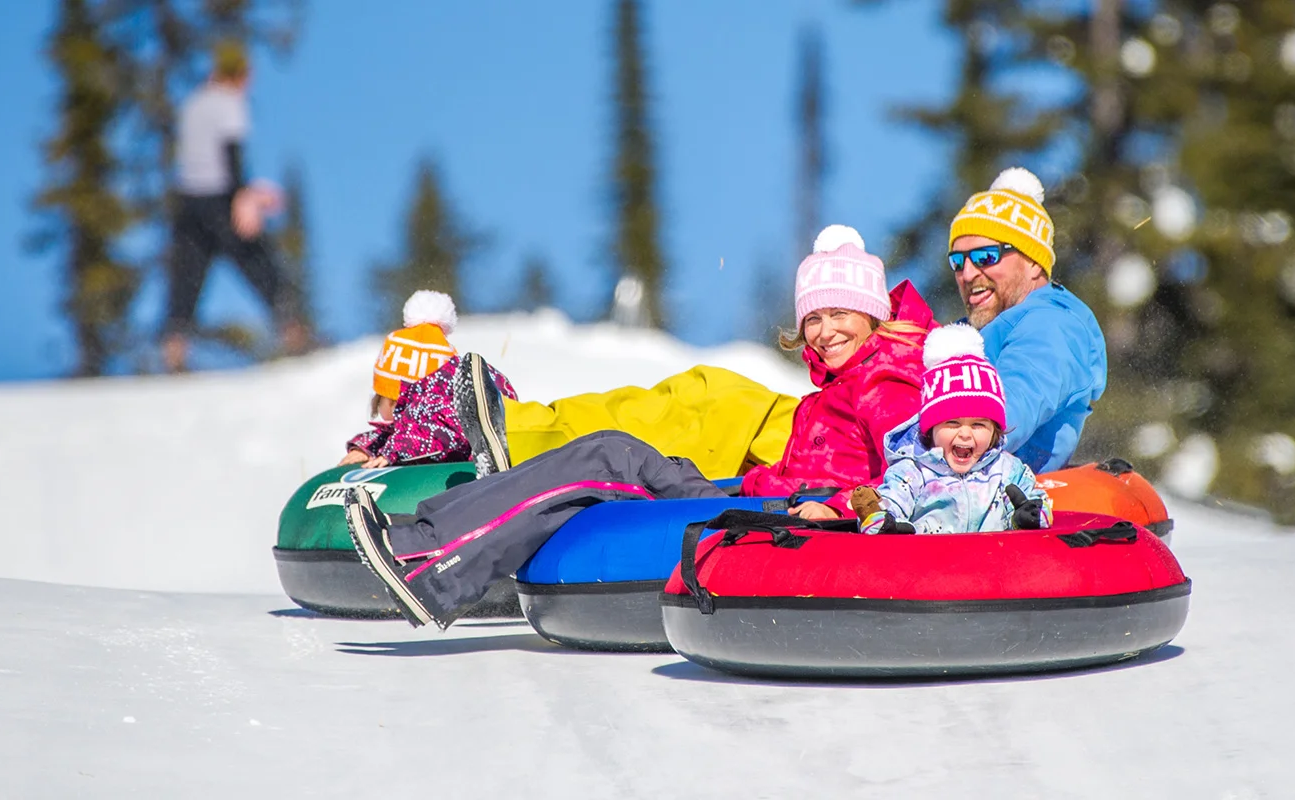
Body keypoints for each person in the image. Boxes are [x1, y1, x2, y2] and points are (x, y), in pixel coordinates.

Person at [343, 225, 934, 629]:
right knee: (612, 454)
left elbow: (913, 473)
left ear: (876, 315)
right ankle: (432, 543)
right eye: (813, 317)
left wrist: (839, 507)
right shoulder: (841, 385)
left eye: (840, 314)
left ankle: (427, 560)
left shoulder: (887, 381)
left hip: (786, 523)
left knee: (608, 459)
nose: (824, 332)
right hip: (754, 496)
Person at [943, 167, 1109, 473]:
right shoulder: (967, 333)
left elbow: (1015, 402)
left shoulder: (1050, 324)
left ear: (1033, 262)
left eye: (985, 257)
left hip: (999, 506)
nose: (967, 274)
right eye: (957, 261)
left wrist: (929, 445)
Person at [161, 41, 307, 373]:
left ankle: (174, 349)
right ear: (240, 74)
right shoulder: (230, 103)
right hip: (220, 197)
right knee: (258, 262)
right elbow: (231, 157)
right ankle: (293, 333)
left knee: (187, 276)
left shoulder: (193, 103)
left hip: (187, 200)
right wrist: (244, 197)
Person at [849, 324, 1050, 534]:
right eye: (952, 423)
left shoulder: (1007, 471)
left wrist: (1029, 516)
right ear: (930, 429)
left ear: (995, 431)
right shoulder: (914, 472)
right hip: (930, 562)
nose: (965, 433)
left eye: (979, 424)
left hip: (995, 560)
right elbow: (891, 503)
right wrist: (883, 522)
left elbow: (1038, 504)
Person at [338, 291, 517, 473]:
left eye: (381, 399)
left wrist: (393, 451)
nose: (381, 414)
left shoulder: (441, 414)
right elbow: (394, 434)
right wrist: (366, 448)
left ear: (397, 399)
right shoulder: (411, 426)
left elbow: (436, 434)